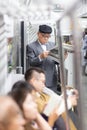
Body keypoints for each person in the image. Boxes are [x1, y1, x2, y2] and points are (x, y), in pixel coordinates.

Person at [26, 24, 58, 92]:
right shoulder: (31, 46)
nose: (46, 38)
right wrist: (40, 57)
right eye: (43, 36)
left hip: (52, 79)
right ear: (38, 34)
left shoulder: (53, 45)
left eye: (48, 36)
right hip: (38, 80)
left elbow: (55, 61)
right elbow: (31, 62)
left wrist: (62, 58)